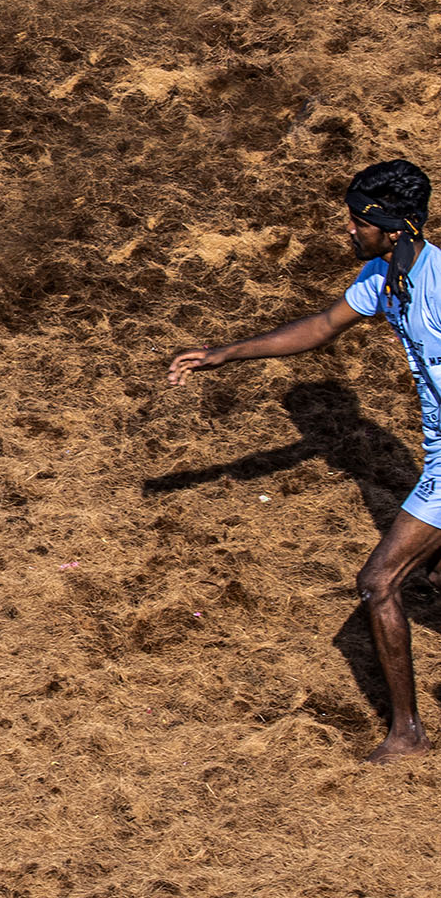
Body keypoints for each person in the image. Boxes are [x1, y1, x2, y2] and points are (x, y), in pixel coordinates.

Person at [168, 159, 441, 763]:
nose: (347, 230)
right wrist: (222, 354)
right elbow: (321, 326)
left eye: (357, 222)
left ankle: (407, 737)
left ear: (393, 227)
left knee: (379, 584)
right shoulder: (385, 277)